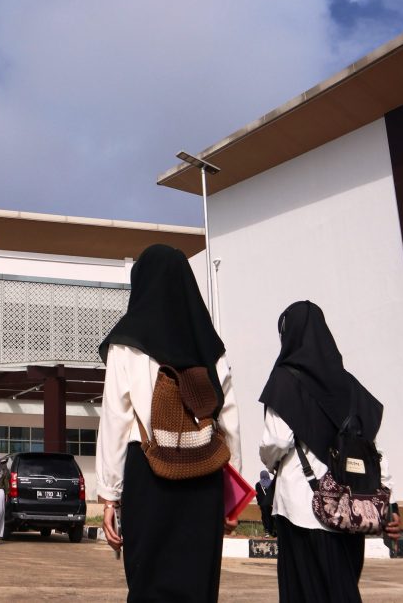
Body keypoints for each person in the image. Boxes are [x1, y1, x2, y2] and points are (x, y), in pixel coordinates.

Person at [96, 244, 241, 602]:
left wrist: (110, 495)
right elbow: (230, 421)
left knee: (149, 583)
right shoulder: (209, 344)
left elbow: (115, 418)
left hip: (149, 473)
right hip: (204, 477)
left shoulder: (126, 344)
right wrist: (232, 497)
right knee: (198, 584)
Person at [259, 301, 399, 602]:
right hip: (350, 508)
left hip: (300, 507)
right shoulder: (350, 386)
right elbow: (371, 449)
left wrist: (268, 463)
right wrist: (389, 500)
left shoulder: (285, 381)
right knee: (343, 590)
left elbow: (277, 441)